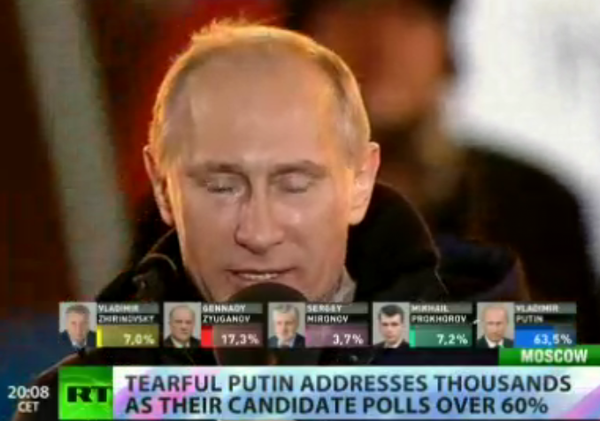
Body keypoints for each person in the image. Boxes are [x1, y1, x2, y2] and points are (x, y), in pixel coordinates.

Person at [15, 22, 511, 421]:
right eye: (221, 186)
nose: (258, 232)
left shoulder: (502, 381)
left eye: (294, 184)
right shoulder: (75, 404)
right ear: (163, 188)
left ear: (360, 183)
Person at [284, 0, 598, 341]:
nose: (380, 40)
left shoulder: (531, 204)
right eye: (352, 12)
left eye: (408, 16)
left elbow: (564, 350)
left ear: (447, 50)